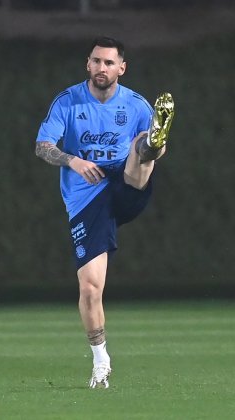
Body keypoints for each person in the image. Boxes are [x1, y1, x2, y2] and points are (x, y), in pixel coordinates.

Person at [34, 36, 174, 389]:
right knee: (91, 288)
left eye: (109, 63)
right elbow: (43, 146)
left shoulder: (137, 105)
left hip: (126, 185)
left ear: (121, 68)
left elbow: (156, 157)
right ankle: (101, 361)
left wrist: (155, 147)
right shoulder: (68, 102)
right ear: (88, 64)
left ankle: (152, 138)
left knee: (141, 152)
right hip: (86, 199)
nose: (102, 68)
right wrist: (74, 160)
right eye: (96, 61)